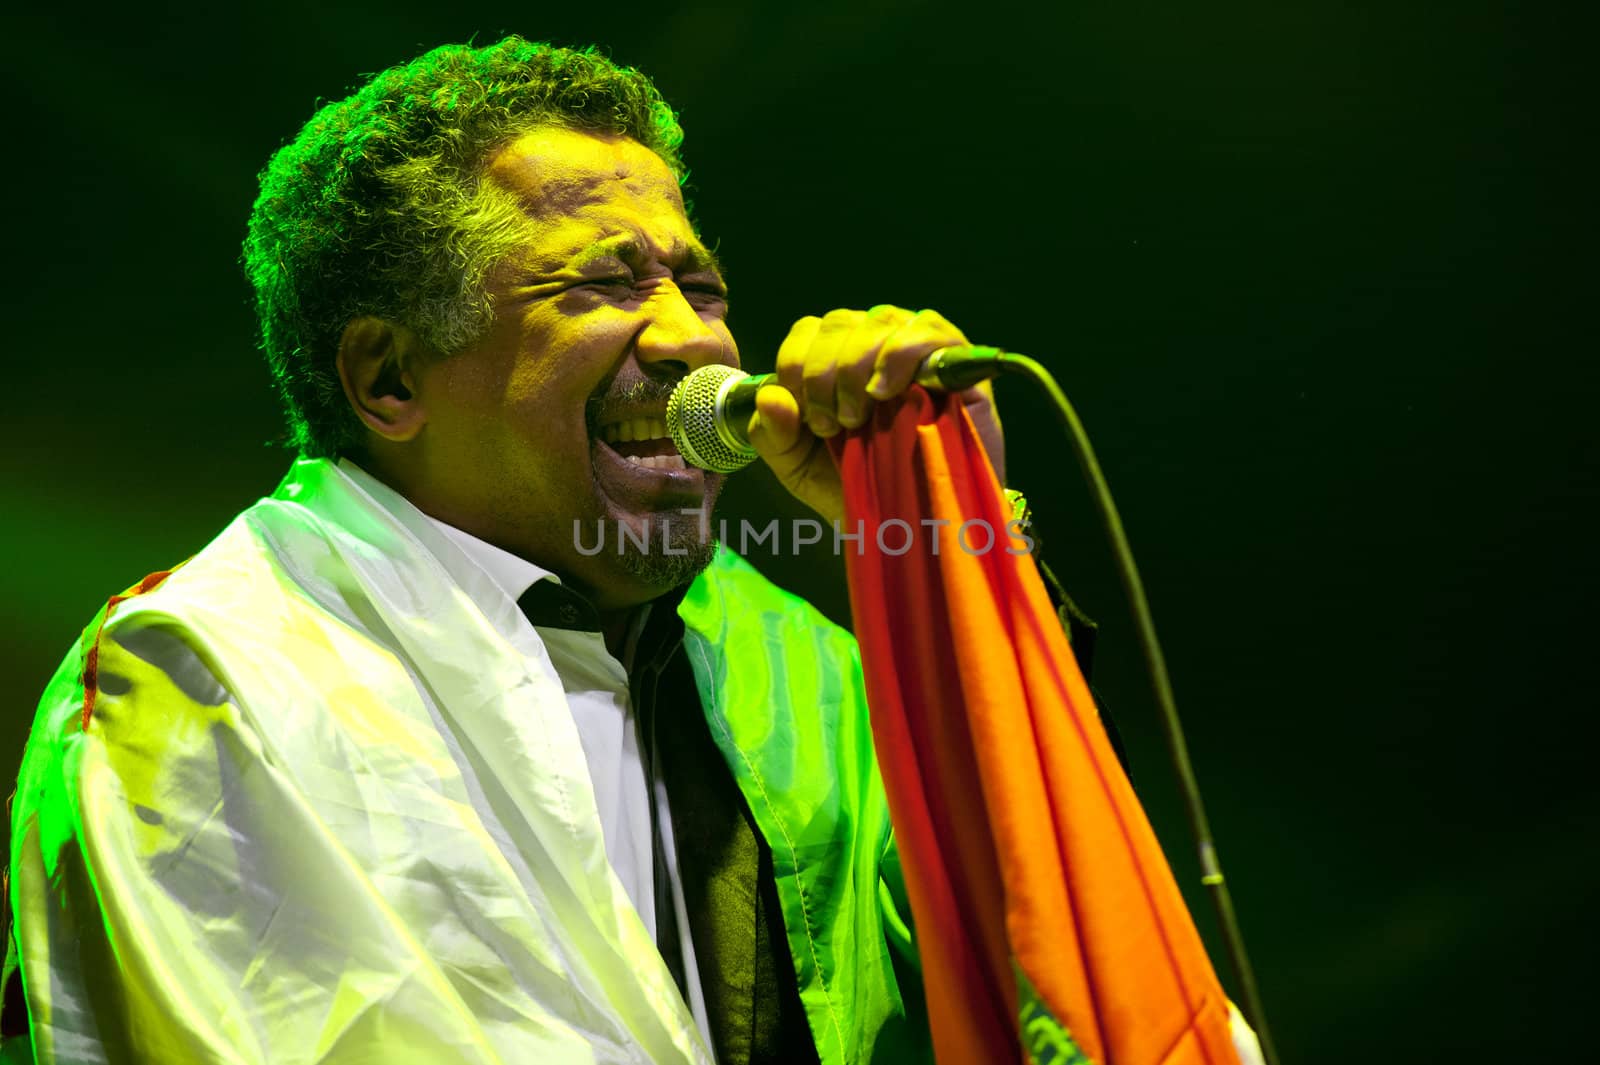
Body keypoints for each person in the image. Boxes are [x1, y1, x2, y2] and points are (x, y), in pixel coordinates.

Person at [0, 37, 1019, 1065]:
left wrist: (952, 534)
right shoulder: (213, 674)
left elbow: (1040, 948)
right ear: (390, 379)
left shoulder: (791, 658)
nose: (695, 341)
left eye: (699, 286)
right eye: (606, 282)